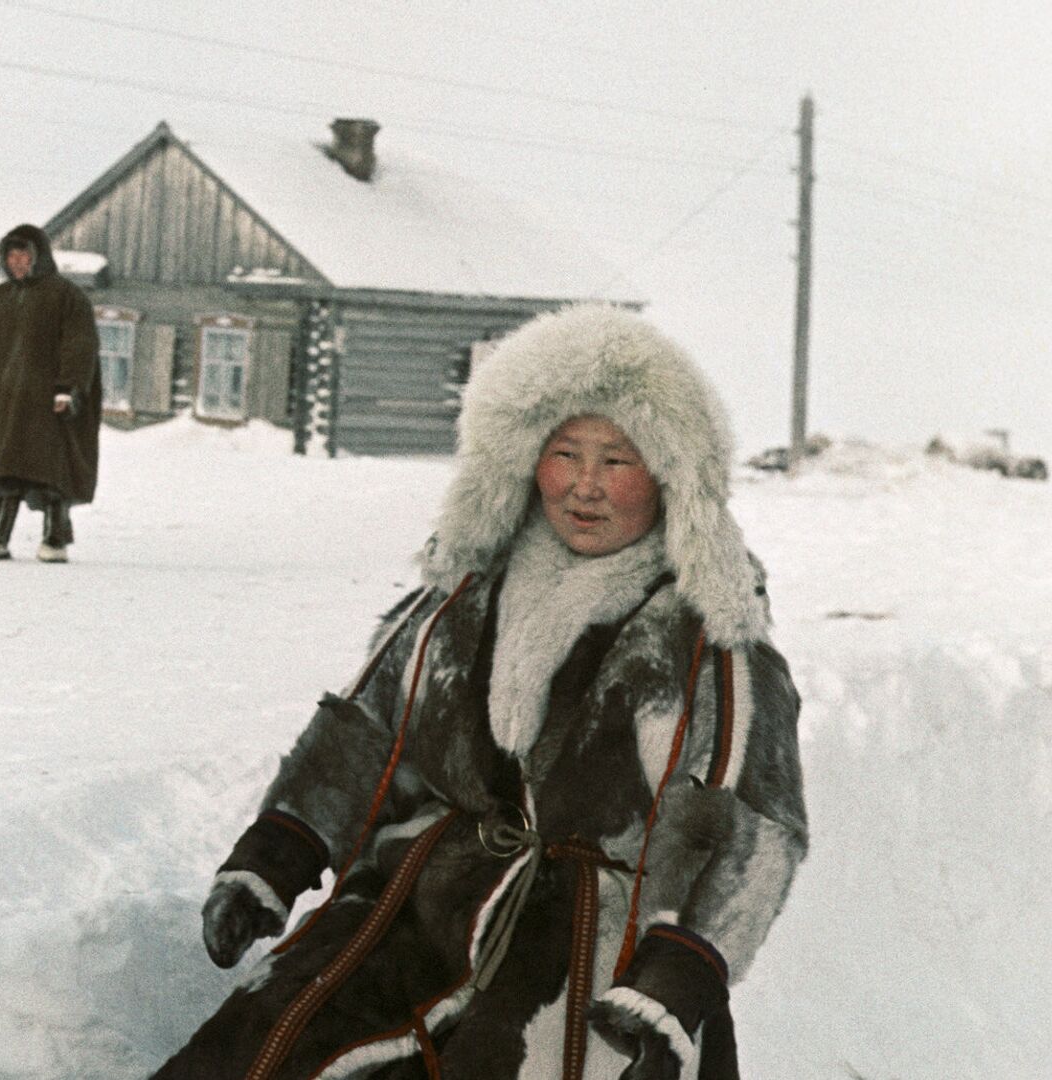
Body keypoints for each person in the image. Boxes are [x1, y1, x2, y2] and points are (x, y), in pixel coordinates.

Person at [155, 305, 808, 1080]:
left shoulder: (704, 638)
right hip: (421, 905)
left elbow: (747, 827)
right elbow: (368, 733)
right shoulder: (462, 595)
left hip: (597, 946)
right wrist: (274, 858)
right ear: (524, 456)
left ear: (669, 479)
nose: (586, 488)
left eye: (618, 461)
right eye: (566, 453)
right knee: (265, 1048)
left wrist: (679, 976)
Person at [0, 224, 101, 562]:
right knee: (2, 470)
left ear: (39, 257)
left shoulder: (67, 297)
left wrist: (69, 389)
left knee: (50, 472)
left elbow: (80, 346)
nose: (17, 262)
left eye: (24, 255)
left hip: (46, 403)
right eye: (11, 256)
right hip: (2, 402)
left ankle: (54, 540)